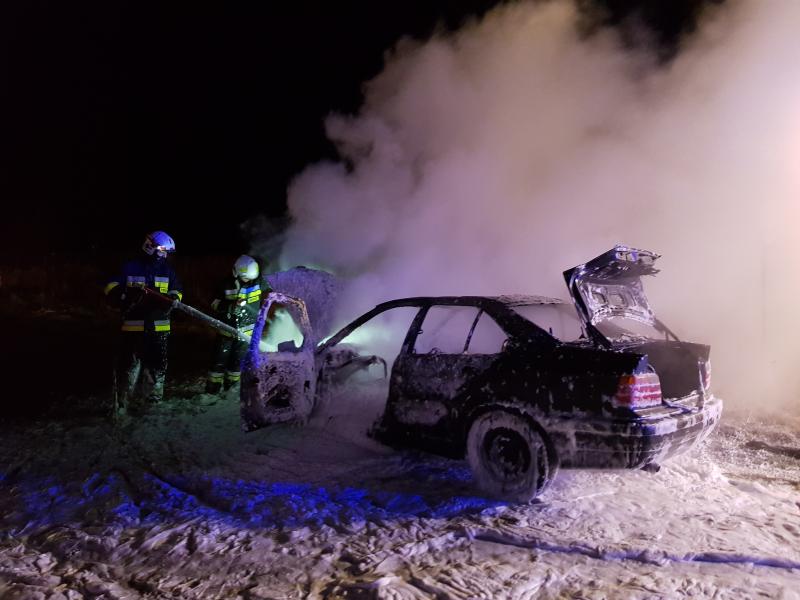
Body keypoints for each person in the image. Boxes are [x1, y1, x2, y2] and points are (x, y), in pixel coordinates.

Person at [104, 231, 184, 415]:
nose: (164, 255)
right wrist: (124, 295)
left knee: (157, 366)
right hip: (133, 326)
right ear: (149, 247)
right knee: (129, 366)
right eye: (162, 250)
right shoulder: (130, 267)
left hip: (159, 327)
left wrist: (173, 298)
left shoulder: (167, 270)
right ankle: (123, 402)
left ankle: (153, 403)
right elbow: (110, 287)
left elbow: (177, 289)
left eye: (166, 252)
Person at [206, 254, 272, 395]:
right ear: (236, 272)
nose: (248, 281)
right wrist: (231, 306)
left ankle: (230, 389)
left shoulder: (258, 281)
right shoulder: (225, 284)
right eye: (245, 278)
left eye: (251, 278)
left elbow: (276, 281)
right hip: (226, 331)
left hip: (245, 334)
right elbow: (214, 304)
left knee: (237, 363)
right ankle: (212, 390)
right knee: (219, 360)